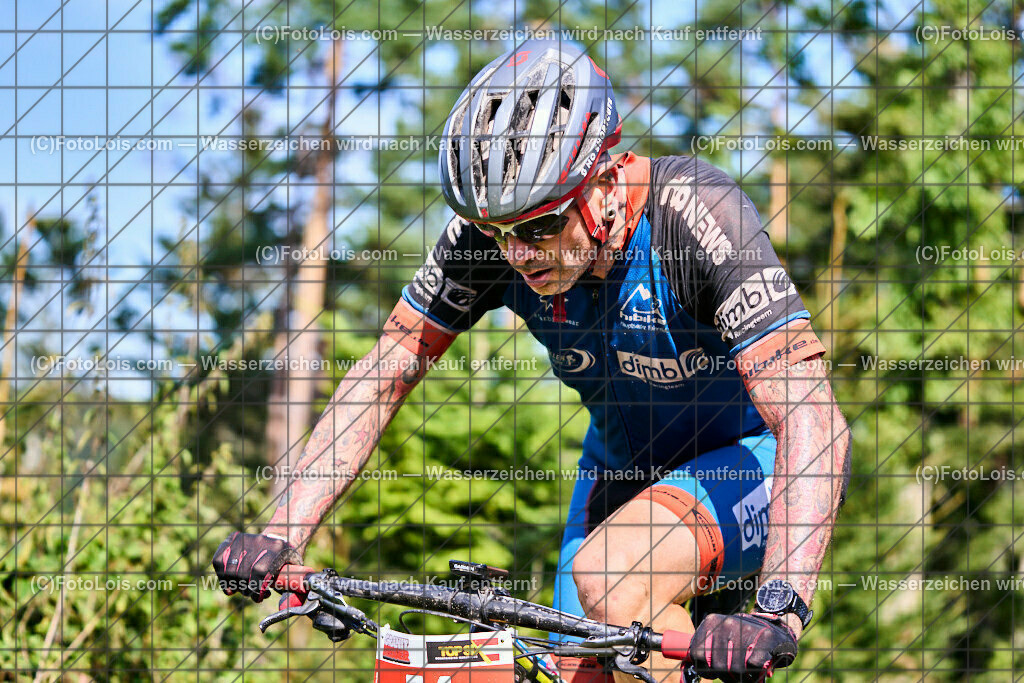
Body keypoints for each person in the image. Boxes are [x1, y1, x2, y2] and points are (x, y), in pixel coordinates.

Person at [214, 38, 852, 683]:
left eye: (540, 227)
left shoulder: (695, 214)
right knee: (571, 669)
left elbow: (814, 419)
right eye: (499, 234)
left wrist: (780, 609)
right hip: (621, 470)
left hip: (759, 464)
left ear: (603, 181)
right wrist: (283, 531)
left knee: (612, 574)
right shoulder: (489, 234)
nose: (517, 253)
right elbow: (385, 372)